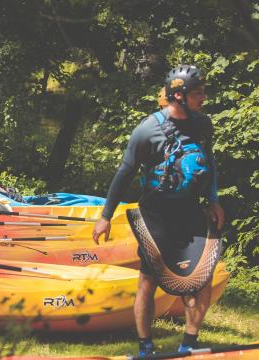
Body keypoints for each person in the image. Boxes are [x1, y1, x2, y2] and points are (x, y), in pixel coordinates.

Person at [92, 65, 225, 356]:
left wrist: (214, 200)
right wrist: (104, 216)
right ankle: (145, 346)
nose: (204, 98)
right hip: (155, 216)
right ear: (179, 95)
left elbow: (210, 163)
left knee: (202, 277)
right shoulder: (147, 129)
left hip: (191, 212)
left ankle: (189, 342)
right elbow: (125, 173)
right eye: (198, 93)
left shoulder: (203, 124)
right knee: (148, 281)